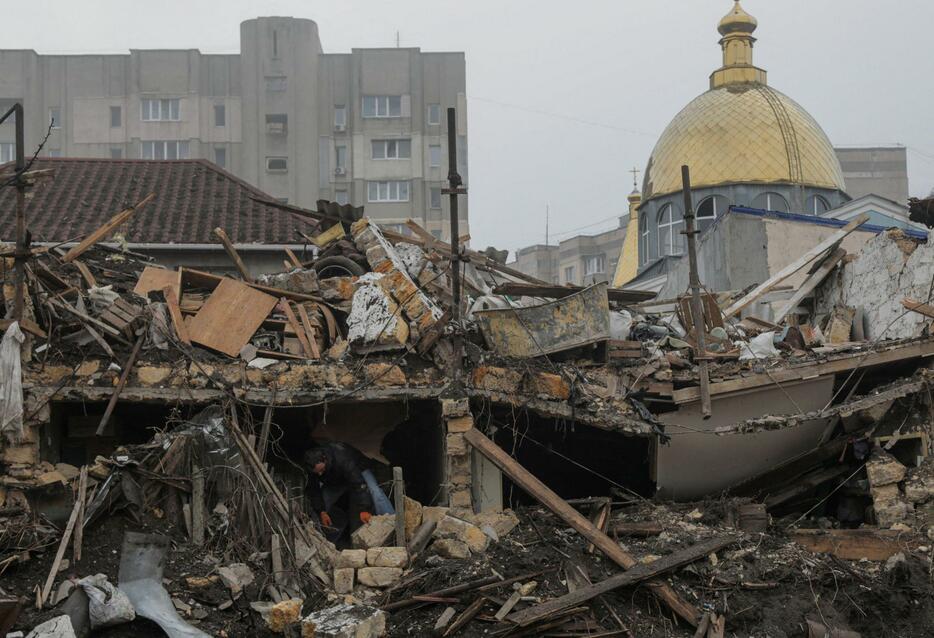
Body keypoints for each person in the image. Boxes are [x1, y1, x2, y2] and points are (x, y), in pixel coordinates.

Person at [304, 442, 379, 543]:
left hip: (358, 470)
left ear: (325, 459)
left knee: (376, 493)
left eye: (322, 470)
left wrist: (364, 509)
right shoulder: (313, 468)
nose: (320, 474)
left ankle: (391, 522)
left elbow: (359, 484)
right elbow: (314, 491)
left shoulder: (342, 458)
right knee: (323, 505)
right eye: (317, 473)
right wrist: (321, 511)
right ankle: (328, 541)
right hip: (336, 479)